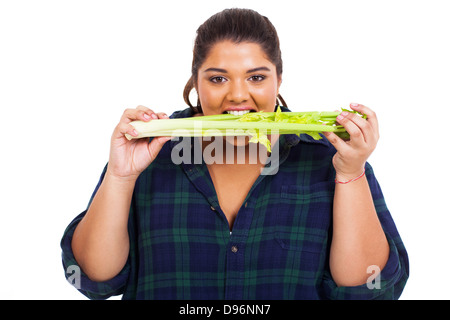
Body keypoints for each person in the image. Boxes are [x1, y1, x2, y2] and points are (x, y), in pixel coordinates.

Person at [61, 8, 408, 299]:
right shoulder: (149, 154)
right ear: (195, 83)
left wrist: (350, 174)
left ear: (279, 80)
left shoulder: (331, 157)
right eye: (217, 79)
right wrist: (121, 177)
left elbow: (367, 289)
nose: (238, 95)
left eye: (256, 77)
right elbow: (93, 278)